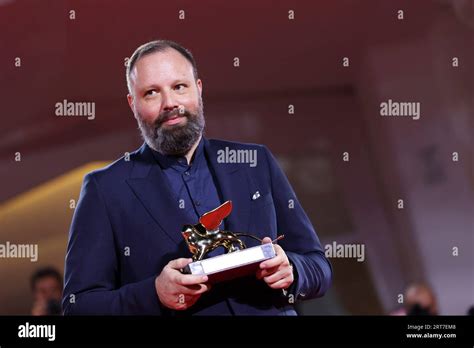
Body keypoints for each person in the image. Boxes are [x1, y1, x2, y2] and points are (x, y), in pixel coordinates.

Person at [62, 40, 332, 315]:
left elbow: (318, 267)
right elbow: (78, 307)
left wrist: (293, 270)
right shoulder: (106, 189)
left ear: (198, 89)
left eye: (179, 87)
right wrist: (154, 293)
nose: (170, 103)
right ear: (133, 104)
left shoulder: (255, 162)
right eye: (152, 93)